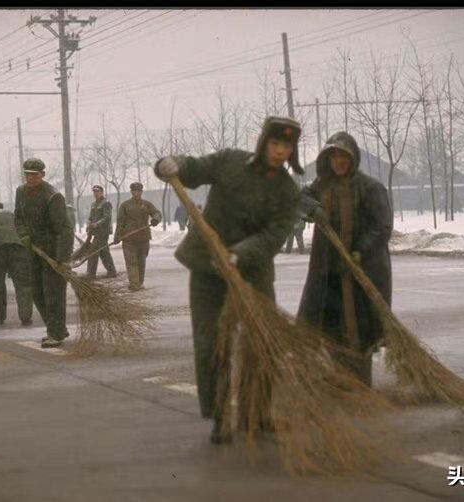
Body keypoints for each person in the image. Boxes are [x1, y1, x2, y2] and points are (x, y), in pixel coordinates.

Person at [153, 116, 303, 444]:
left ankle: (260, 413)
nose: (280, 151)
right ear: (264, 142)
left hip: (252, 272)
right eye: (275, 144)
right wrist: (172, 164)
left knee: (261, 344)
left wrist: (238, 254)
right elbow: (194, 168)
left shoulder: (287, 191)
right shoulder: (230, 162)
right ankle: (221, 415)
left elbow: (274, 235)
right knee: (212, 344)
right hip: (209, 270)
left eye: (286, 146)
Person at [297, 131, 393, 387]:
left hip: (361, 271)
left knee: (358, 330)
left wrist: (360, 250)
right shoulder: (321, 187)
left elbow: (382, 227)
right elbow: (299, 197)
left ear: (353, 159)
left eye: (343, 156)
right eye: (334, 156)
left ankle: (360, 383)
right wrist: (313, 208)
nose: (338, 161)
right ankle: (338, 380)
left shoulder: (370, 188)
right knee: (330, 325)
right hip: (329, 273)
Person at [14, 158, 74, 348]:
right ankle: (56, 328)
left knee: (53, 293)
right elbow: (18, 218)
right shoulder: (21, 192)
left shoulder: (53, 196)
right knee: (37, 293)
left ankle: (55, 333)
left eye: (34, 174)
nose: (30, 178)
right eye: (28, 174)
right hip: (33, 250)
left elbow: (64, 229)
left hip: (52, 251)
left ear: (43, 174)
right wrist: (23, 234)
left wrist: (62, 258)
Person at [114, 182, 162, 291]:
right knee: (131, 263)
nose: (136, 193)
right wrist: (117, 235)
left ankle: (139, 283)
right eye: (134, 191)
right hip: (129, 239)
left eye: (139, 191)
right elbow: (120, 222)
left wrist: (155, 219)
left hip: (143, 238)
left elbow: (157, 213)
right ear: (131, 192)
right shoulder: (125, 205)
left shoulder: (147, 204)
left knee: (141, 262)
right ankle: (134, 285)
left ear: (141, 192)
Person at [84, 185, 117, 279]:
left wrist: (97, 224)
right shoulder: (94, 204)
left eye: (97, 191)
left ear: (102, 192)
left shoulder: (106, 203)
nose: (95, 193)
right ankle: (112, 271)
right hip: (95, 232)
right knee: (104, 252)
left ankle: (90, 273)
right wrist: (89, 225)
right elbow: (91, 217)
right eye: (94, 191)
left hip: (103, 231)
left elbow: (107, 217)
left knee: (93, 252)